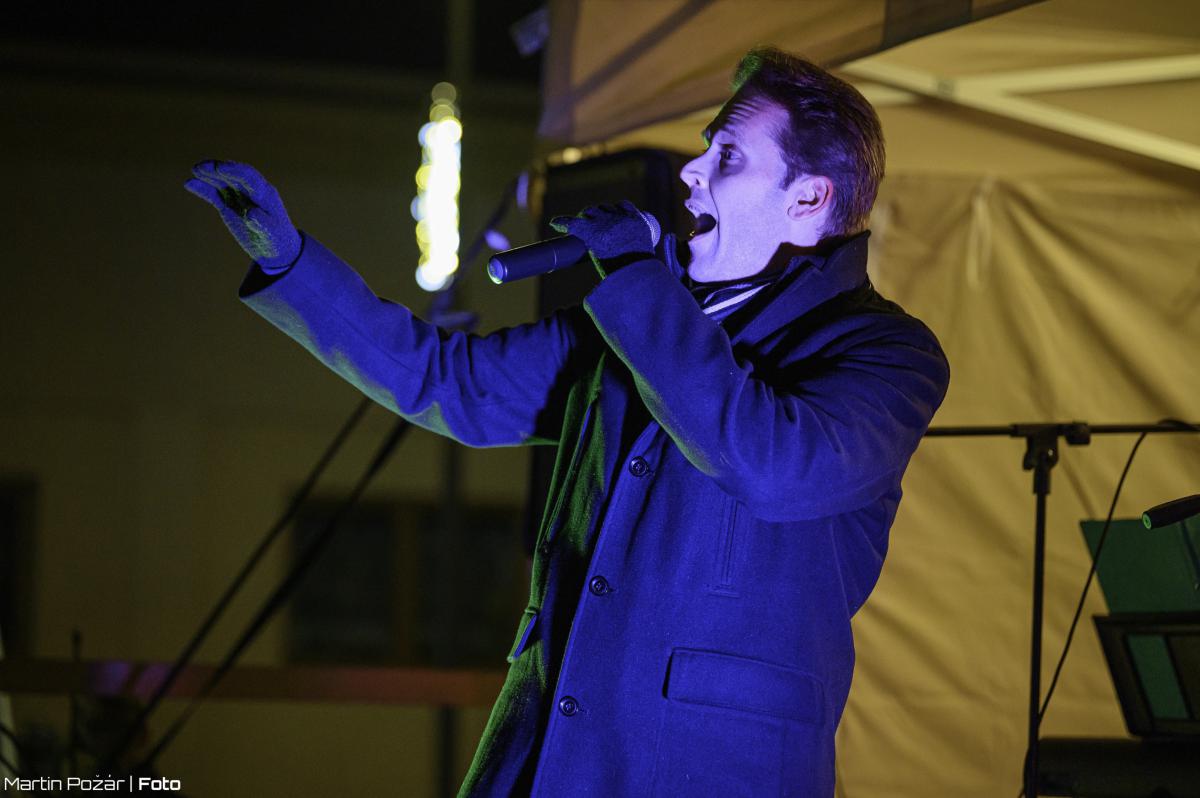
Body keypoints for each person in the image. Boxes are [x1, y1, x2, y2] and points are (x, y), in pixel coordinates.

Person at [187, 47, 949, 798]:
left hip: (714, 770)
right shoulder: (637, 317)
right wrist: (293, 264)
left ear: (808, 199)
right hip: (545, 755)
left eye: (727, 156)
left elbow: (770, 463)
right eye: (705, 146)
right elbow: (450, 382)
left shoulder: (886, 353)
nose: (691, 171)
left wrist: (640, 277)